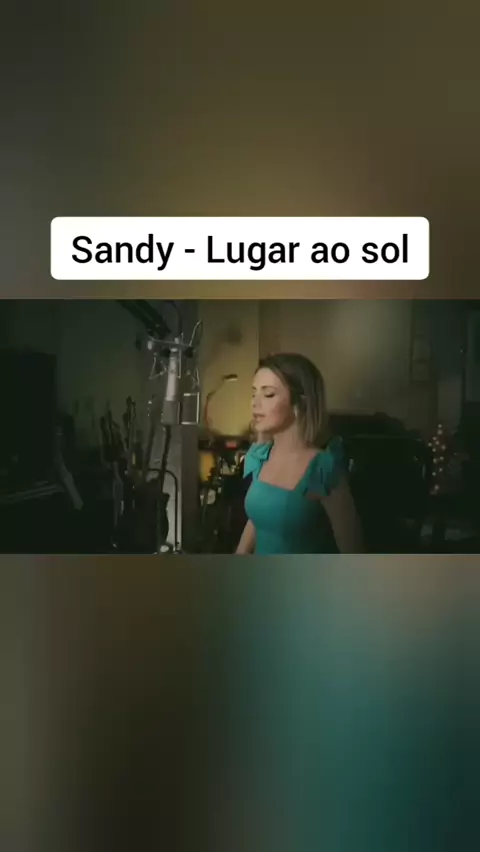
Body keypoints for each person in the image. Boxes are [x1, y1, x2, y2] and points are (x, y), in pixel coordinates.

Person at [236, 353, 364, 554]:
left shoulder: (322, 469)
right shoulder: (259, 457)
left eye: (268, 394)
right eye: (254, 393)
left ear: (299, 403)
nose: (255, 403)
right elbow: (261, 517)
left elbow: (353, 551)